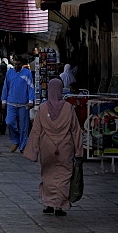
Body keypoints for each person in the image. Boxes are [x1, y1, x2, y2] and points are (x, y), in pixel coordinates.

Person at [23, 77, 83, 216]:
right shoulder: (68, 108)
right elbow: (75, 130)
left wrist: (32, 151)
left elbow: (36, 130)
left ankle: (48, 203)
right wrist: (79, 151)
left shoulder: (42, 108)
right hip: (65, 147)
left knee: (48, 174)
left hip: (47, 146)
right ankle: (59, 206)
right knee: (63, 175)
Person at [1, 54, 35, 153]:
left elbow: (31, 87)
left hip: (23, 104)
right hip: (11, 102)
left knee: (24, 126)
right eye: (15, 64)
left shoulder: (27, 73)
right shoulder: (9, 73)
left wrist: (30, 101)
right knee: (9, 122)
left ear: (22, 64)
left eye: (18, 64)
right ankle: (15, 140)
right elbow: (5, 87)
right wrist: (3, 100)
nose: (17, 66)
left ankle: (23, 146)